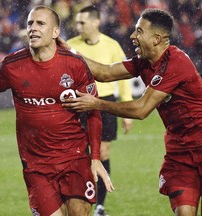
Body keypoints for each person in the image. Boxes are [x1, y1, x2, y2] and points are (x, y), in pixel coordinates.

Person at [0, 5, 114, 216]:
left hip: (75, 158)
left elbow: (93, 112)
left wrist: (96, 157)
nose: (33, 28)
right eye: (30, 23)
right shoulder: (11, 65)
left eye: (40, 23)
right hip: (36, 165)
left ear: (56, 32)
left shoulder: (75, 65)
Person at [61, 8, 202, 216]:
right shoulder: (144, 62)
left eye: (139, 31)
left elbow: (141, 109)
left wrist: (97, 104)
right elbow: (104, 72)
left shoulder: (176, 62)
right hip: (179, 152)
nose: (132, 36)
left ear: (157, 39)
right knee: (184, 213)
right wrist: (68, 51)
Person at [66, 5, 133, 216]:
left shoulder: (112, 45)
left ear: (96, 23)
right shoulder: (70, 46)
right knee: (80, 155)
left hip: (104, 102)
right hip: (78, 103)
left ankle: (100, 206)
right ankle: (80, 200)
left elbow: (122, 78)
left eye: (82, 22)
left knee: (102, 153)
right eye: (77, 22)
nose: (78, 26)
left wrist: (126, 109)